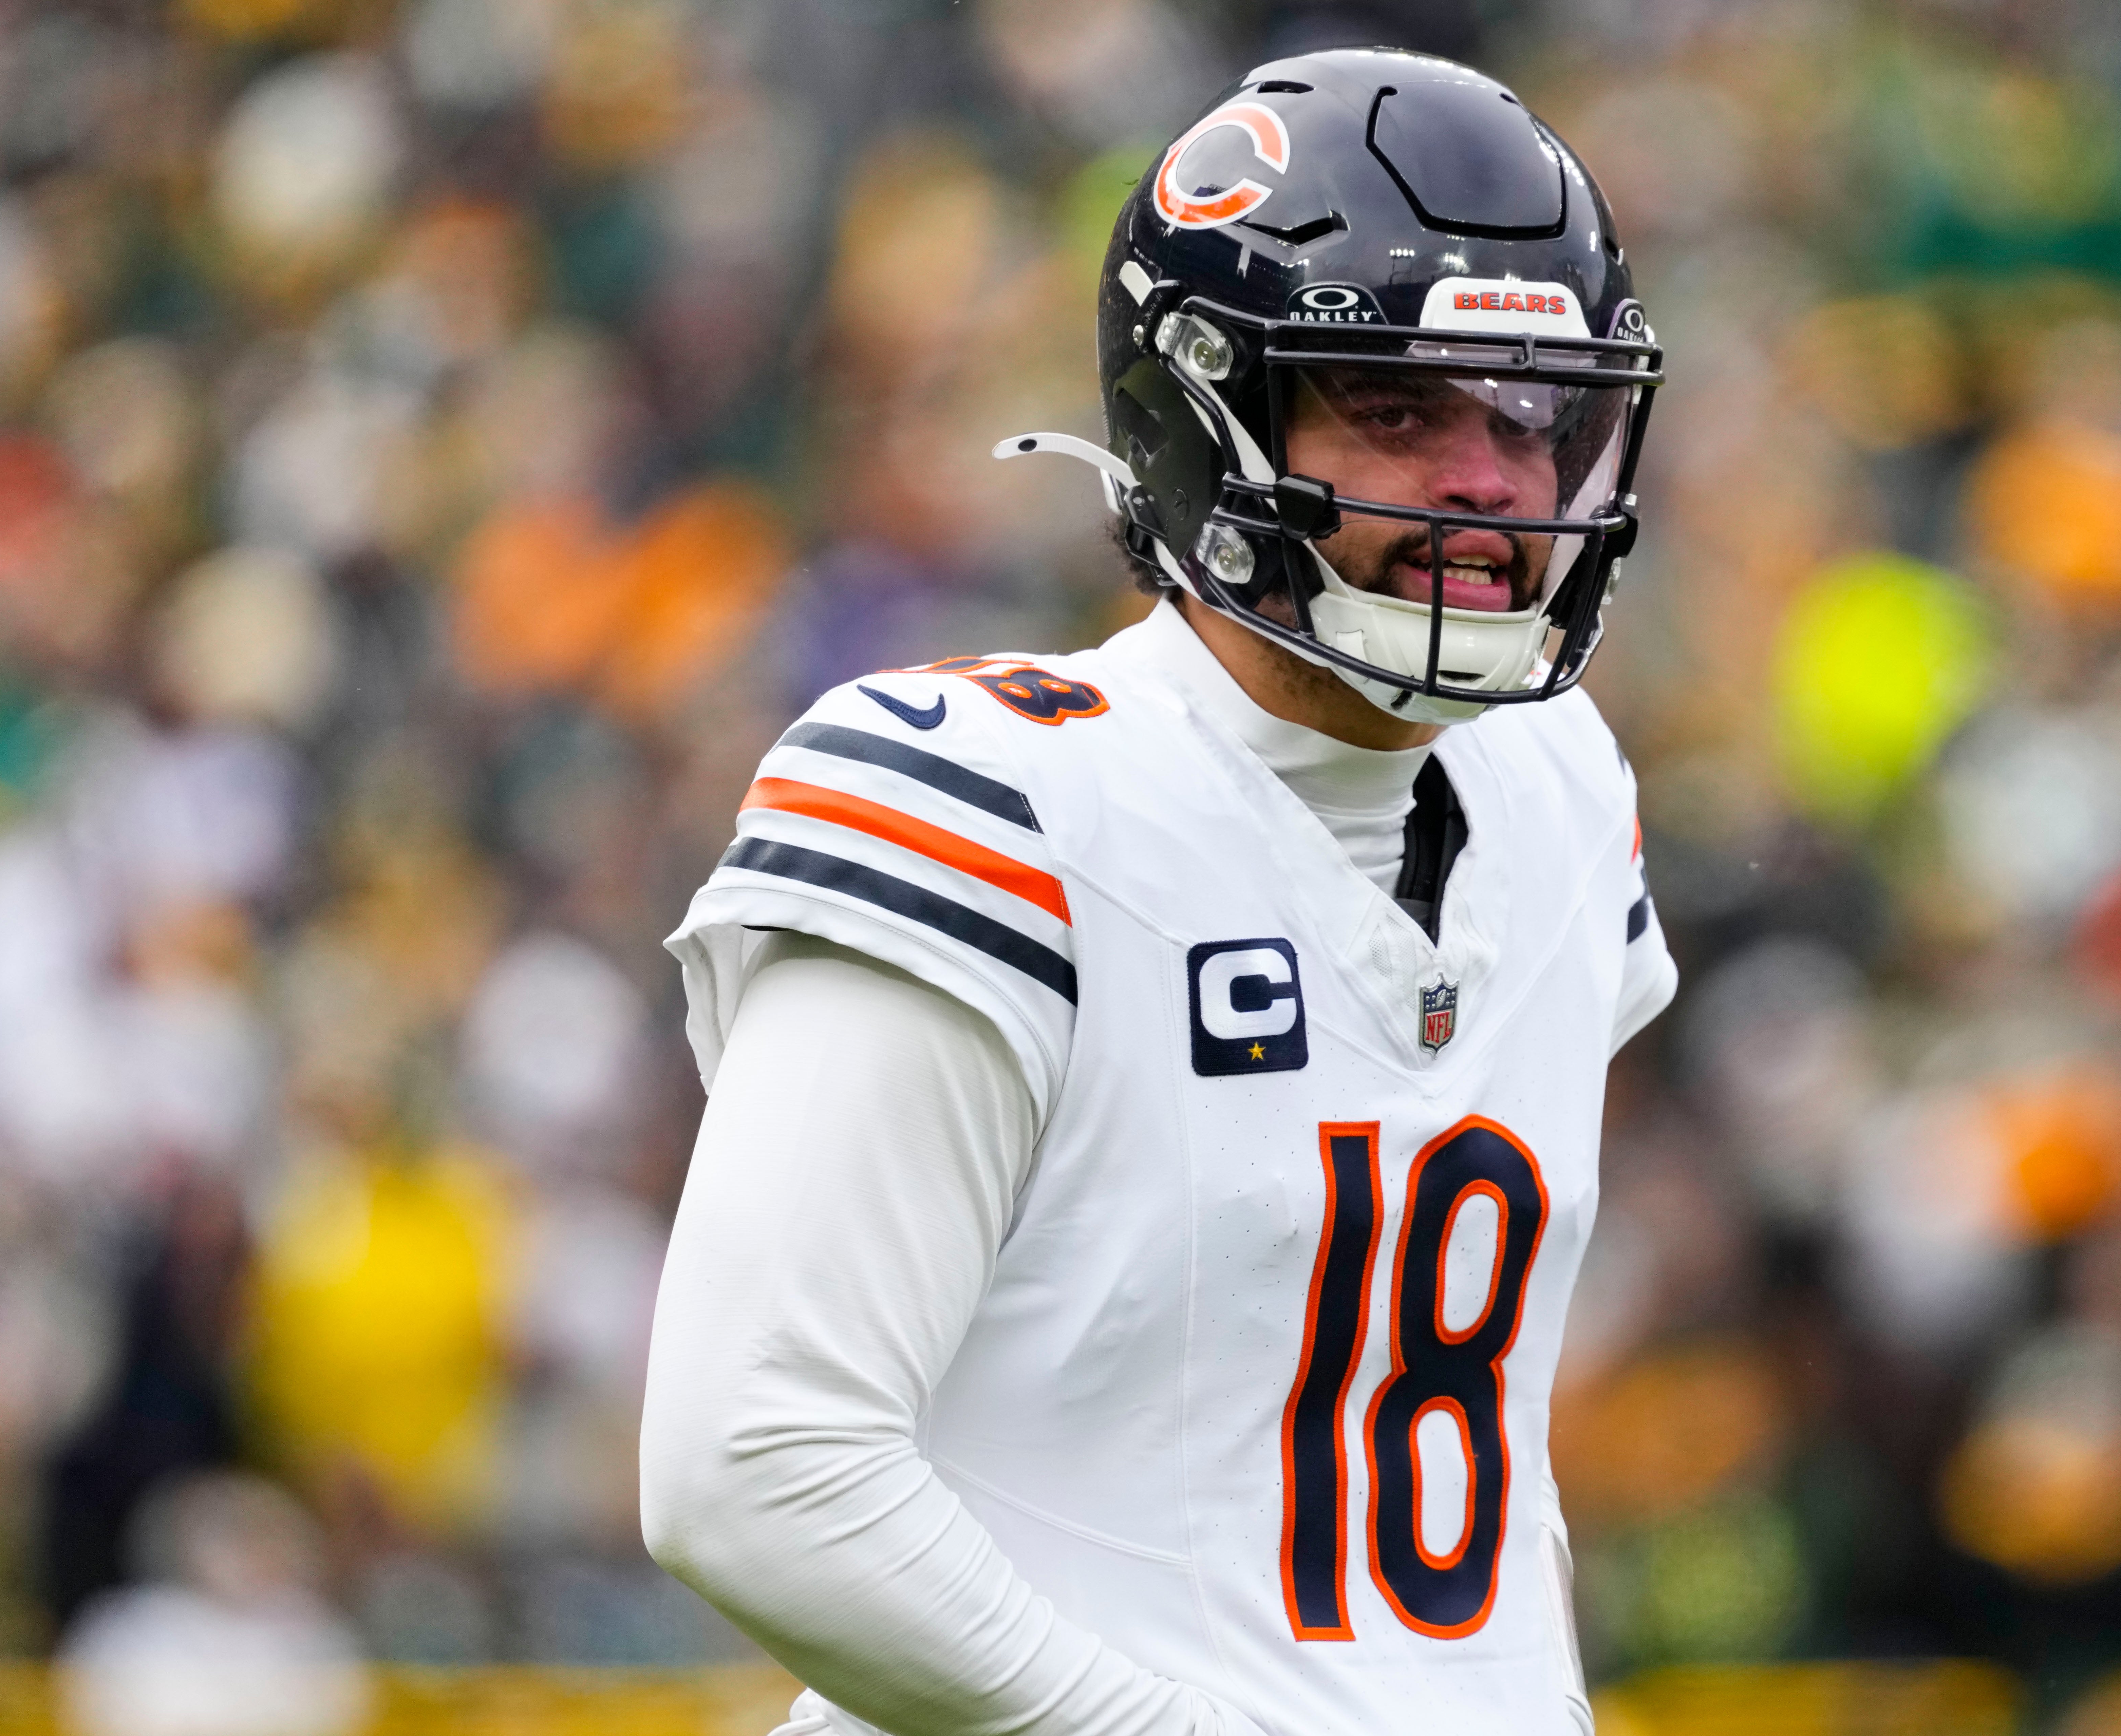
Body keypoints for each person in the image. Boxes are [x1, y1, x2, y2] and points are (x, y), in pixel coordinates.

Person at [640, 47, 1674, 1736]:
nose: (1493, 480)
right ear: (1206, 416)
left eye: (1534, 410)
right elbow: (752, 1462)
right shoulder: (994, 792)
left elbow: (1473, 1468)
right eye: (1398, 407)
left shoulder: (1559, 791)